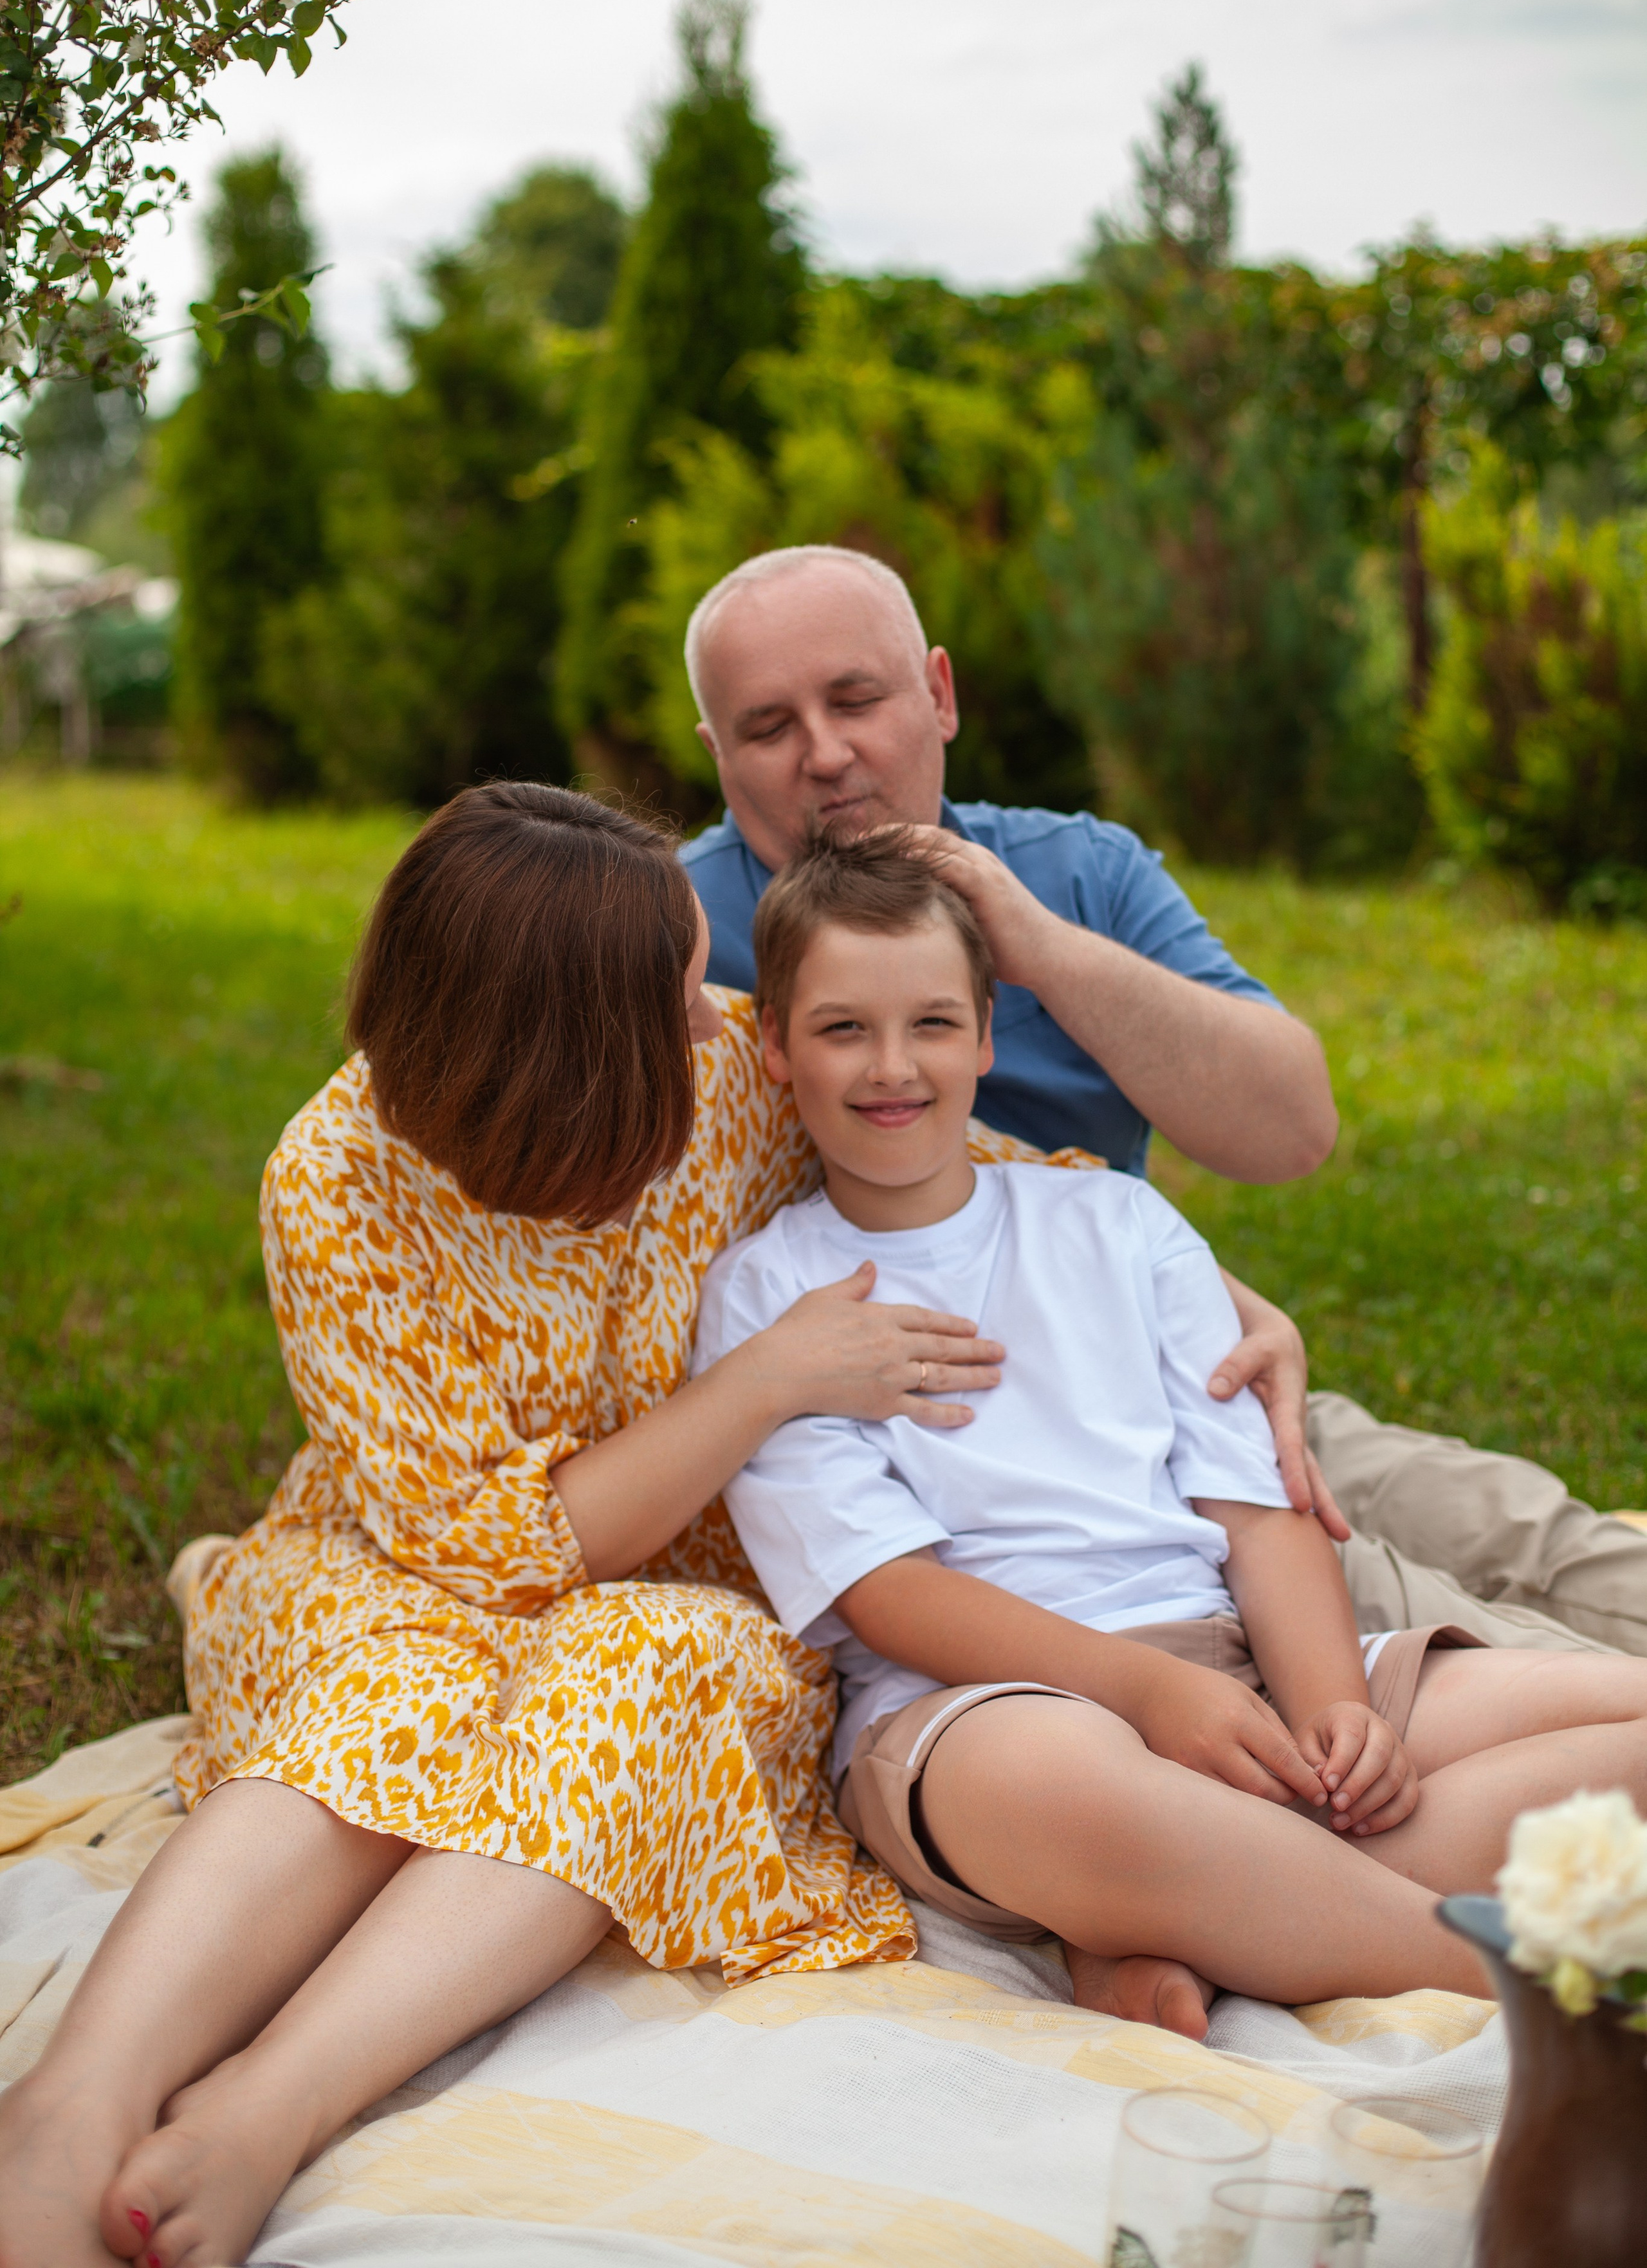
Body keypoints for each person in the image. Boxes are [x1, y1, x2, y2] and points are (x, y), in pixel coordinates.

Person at [0, 785, 1023, 2268]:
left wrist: (1233, 1310)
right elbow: (488, 1546)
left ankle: (265, 2106)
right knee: (396, 1684)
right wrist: (766, 1380)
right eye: (678, 995)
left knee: (658, 1672)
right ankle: (71, 2110)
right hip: (406, 1559)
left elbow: (967, 1183)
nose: (713, 1017)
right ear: (567, 1057)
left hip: (674, 1586)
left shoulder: (733, 1075)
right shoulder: (338, 1182)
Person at [694, 830, 1647, 2038]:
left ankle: (1191, 1919)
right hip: (992, 1709)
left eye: (934, 1023)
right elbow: (889, 1597)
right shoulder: (769, 1298)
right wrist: (1148, 1699)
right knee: (1074, 1794)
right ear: (774, 1049)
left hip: (1229, 1660)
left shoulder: (1118, 1221)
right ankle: (1490, 1966)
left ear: (989, 1037)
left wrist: (1324, 1711)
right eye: (842, 1030)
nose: (894, 1066)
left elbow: (1254, 1502)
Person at [678, 544, 1647, 1660]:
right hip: (978, 1492)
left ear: (938, 696)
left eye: (857, 700)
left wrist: (1040, 949)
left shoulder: (1079, 873)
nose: (826, 753)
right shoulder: (682, 940)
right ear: (719, 756)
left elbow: (1292, 1129)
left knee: (1528, 1535)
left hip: (1192, 1389)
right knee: (1472, 1644)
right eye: (768, 727)